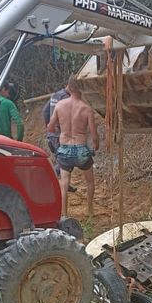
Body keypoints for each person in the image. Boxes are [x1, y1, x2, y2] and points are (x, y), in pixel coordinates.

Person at [48, 75, 99, 219]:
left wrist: (61, 131)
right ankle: (90, 211)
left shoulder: (59, 105)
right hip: (81, 150)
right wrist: (96, 145)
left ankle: (64, 214)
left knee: (64, 183)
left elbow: (50, 127)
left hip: (64, 149)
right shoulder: (86, 109)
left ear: (69, 88)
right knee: (89, 181)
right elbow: (94, 135)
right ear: (81, 89)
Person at [42, 86, 75, 192]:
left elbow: (45, 111)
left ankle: (64, 183)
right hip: (59, 134)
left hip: (52, 134)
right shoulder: (65, 98)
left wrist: (49, 127)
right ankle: (47, 181)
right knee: (66, 160)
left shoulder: (55, 95)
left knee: (63, 160)